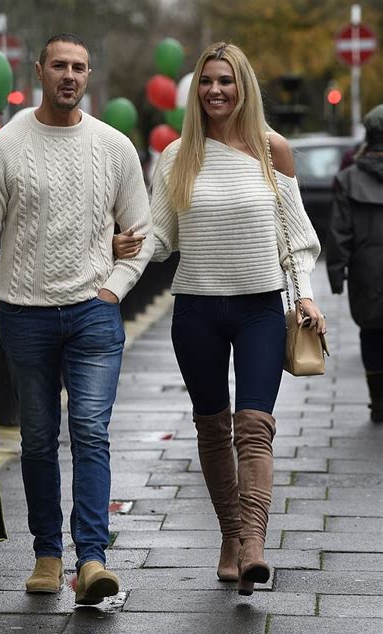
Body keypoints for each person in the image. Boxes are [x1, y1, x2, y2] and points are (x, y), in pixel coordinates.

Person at [114, 42, 325, 596]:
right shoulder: (178, 156)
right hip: (197, 311)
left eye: (226, 81)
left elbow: (296, 240)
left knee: (254, 428)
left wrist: (304, 297)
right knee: (213, 427)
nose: (215, 90)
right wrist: (117, 265)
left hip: (261, 308)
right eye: (206, 81)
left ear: (243, 87)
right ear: (196, 90)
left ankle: (253, 546)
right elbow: (160, 237)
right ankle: (230, 537)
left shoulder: (272, 151)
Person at [0, 32, 154, 605]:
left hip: (94, 314)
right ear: (38, 70)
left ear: (88, 77)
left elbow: (140, 236)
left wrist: (114, 290)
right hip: (23, 314)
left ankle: (91, 560)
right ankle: (48, 553)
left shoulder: (114, 147)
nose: (70, 75)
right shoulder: (4, 146)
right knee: (40, 440)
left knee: (90, 433)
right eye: (60, 66)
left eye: (80, 67)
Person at [327, 104, 383, 423]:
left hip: (366, 273)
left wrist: (337, 273)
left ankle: (378, 401)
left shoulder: (349, 180)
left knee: (372, 333)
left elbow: (340, 232)